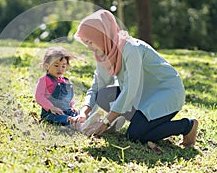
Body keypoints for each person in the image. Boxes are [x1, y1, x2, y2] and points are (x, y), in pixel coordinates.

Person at [72, 9, 198, 147]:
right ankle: (140, 121)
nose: (89, 48)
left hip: (166, 93)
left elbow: (131, 88)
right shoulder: (104, 54)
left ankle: (187, 126)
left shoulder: (131, 48)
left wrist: (107, 121)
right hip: (142, 95)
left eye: (90, 42)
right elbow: (96, 87)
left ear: (100, 36)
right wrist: (84, 112)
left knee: (135, 135)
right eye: (86, 43)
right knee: (103, 95)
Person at [35, 47, 81, 129]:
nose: (60, 69)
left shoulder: (64, 81)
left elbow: (66, 97)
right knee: (58, 117)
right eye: (56, 65)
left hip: (66, 110)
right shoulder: (44, 80)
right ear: (46, 65)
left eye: (63, 66)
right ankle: (71, 121)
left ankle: (81, 120)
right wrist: (51, 107)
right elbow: (39, 96)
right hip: (51, 112)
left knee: (78, 113)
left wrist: (72, 106)